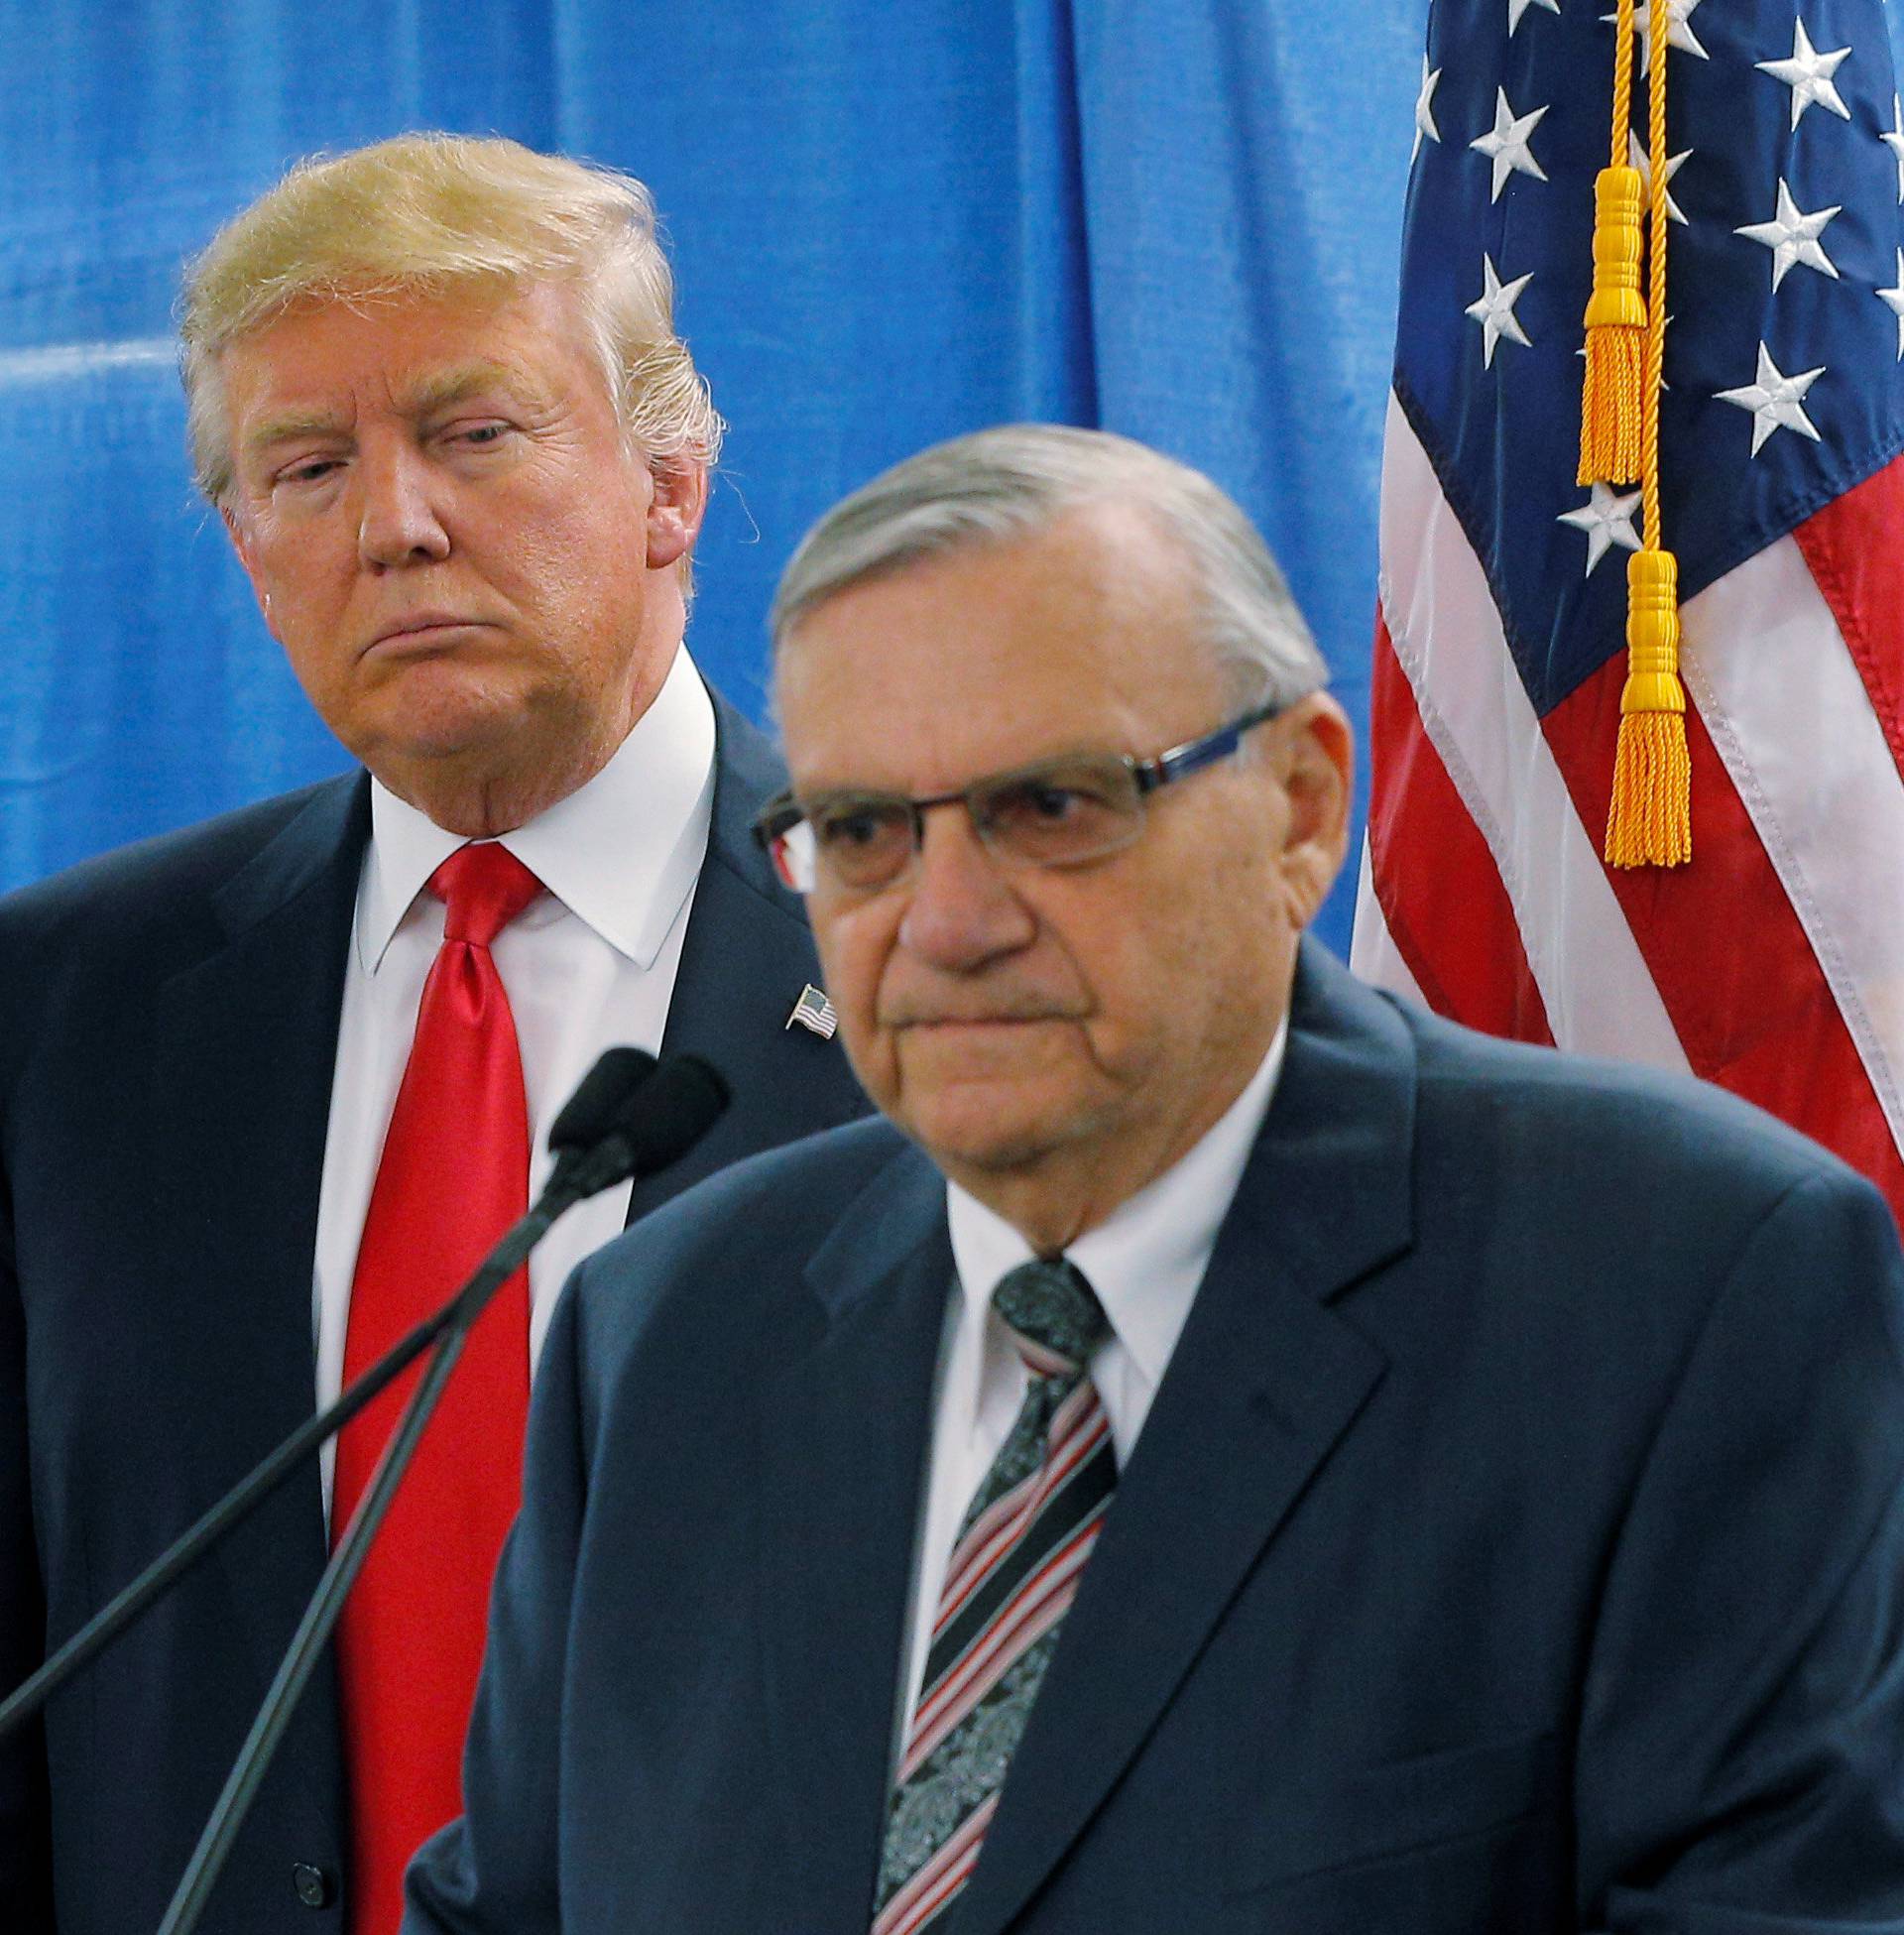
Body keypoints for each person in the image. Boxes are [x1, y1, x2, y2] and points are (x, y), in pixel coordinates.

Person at [405, 423, 1904, 1934]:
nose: (948, 922)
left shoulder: (1687, 1287)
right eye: (863, 833)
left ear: (1303, 811)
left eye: (1052, 808)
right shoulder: (667, 1327)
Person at [0, 135, 867, 1935]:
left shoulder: (925, 970)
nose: (392, 523)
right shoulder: (63, 1007)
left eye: (476, 436)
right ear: (249, 552)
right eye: (307, 469)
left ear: (672, 484)